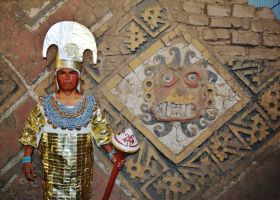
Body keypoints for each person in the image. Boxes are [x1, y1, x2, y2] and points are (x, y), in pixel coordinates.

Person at [19, 21, 124, 199]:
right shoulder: (45, 105)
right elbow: (31, 133)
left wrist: (113, 155)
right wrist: (27, 160)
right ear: (57, 77)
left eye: (72, 73)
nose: (67, 78)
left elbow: (101, 133)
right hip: (53, 174)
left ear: (78, 76)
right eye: (62, 73)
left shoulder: (90, 105)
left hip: (80, 175)